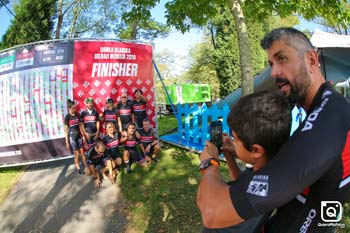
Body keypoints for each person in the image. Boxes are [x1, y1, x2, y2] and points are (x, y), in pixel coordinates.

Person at [197, 27, 350, 232]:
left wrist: (210, 163)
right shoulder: (326, 109)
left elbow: (213, 214)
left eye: (282, 59)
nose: (274, 72)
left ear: (312, 60)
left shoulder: (328, 119)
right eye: (271, 64)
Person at [200, 91, 291, 232]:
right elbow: (241, 184)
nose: (233, 142)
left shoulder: (263, 192)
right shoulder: (266, 170)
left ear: (256, 150)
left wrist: (210, 165)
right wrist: (230, 156)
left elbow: (209, 213)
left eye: (236, 139)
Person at [64, 99, 89, 174]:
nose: (75, 109)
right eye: (73, 108)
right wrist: (67, 142)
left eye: (75, 108)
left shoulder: (77, 114)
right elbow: (66, 130)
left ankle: (86, 166)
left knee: (82, 152)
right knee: (76, 154)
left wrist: (83, 136)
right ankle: (78, 168)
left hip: (78, 136)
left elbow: (80, 125)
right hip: (72, 137)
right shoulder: (67, 117)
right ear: (69, 108)